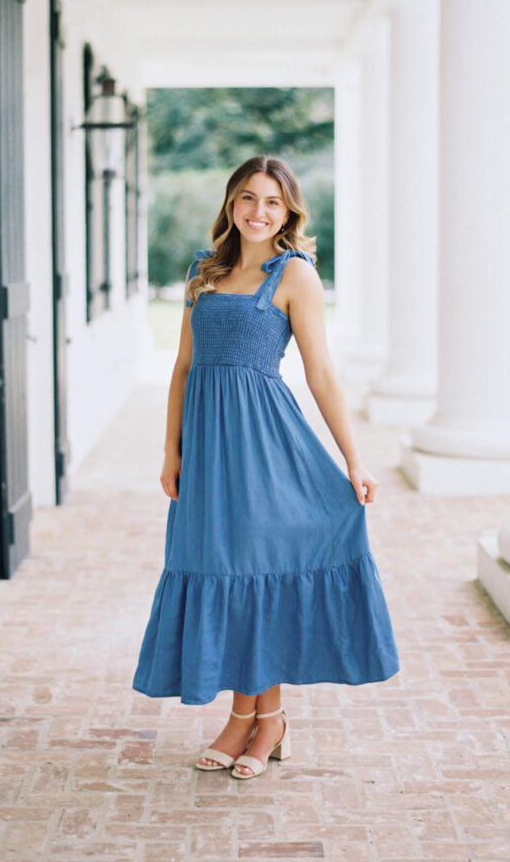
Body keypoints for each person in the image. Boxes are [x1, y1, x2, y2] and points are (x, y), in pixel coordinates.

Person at [132, 155, 400, 779]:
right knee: (220, 568)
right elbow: (181, 368)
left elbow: (322, 374)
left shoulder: (295, 274)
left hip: (266, 447)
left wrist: (354, 461)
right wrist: (171, 450)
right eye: (248, 198)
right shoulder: (204, 269)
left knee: (257, 573)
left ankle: (261, 720)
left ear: (289, 211)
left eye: (273, 202)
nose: (259, 212)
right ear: (231, 203)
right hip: (207, 449)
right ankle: (253, 720)